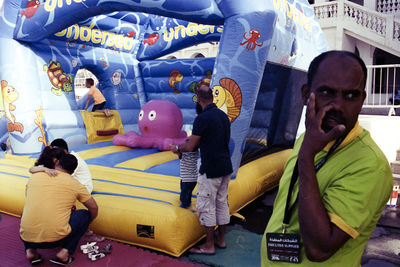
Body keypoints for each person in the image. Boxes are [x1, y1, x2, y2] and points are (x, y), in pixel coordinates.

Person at [260, 51, 393, 266]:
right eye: (326, 92)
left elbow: (319, 248)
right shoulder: (307, 139)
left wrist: (306, 157)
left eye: (351, 95)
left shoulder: (369, 165)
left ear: (362, 99)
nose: (338, 105)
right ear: (305, 94)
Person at [170, 85, 233, 255]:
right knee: (221, 203)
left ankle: (209, 245)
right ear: (212, 97)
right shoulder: (223, 116)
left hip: (211, 168)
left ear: (198, 99)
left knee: (206, 205)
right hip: (225, 166)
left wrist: (177, 147)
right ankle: (221, 240)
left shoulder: (202, 118)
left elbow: (190, 146)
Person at [20, 153, 98, 265]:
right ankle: (65, 252)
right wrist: (89, 221)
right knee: (85, 214)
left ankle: (31, 251)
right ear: (73, 171)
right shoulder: (75, 183)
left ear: (57, 162)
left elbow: (29, 199)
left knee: (27, 213)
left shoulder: (36, 176)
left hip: (27, 237)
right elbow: (93, 207)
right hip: (57, 239)